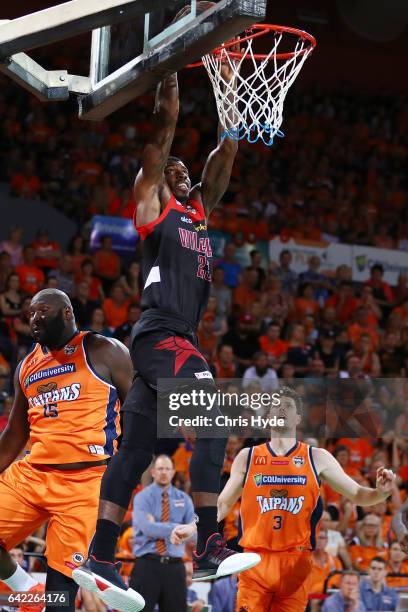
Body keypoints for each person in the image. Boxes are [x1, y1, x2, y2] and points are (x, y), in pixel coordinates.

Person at [72, 22, 259, 611]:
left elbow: (224, 157)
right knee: (214, 414)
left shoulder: (200, 212)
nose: (182, 173)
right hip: (161, 335)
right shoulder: (155, 206)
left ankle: (101, 553)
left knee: (135, 451)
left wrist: (231, 94)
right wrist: (172, 68)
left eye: (186, 171)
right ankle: (209, 543)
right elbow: (162, 133)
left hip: (173, 338)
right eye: (175, 170)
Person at [0, 288, 133, 612]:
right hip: (34, 474)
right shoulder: (27, 366)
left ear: (67, 313)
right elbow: (16, 433)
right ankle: (27, 590)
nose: (34, 317)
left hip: (85, 481)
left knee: (62, 589)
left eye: (42, 310)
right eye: (30, 312)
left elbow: (142, 409)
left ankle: (50, 600)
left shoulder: (104, 350)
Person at [218, 386, 395, 611]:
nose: (281, 409)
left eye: (288, 406)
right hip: (255, 560)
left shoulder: (317, 457)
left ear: (298, 418)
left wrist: (381, 492)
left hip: (296, 562)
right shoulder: (248, 457)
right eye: (276, 406)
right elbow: (223, 504)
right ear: (268, 416)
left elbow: (359, 494)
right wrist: (194, 525)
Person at [130, 455, 195, 611]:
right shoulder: (141, 498)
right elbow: (147, 528)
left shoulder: (185, 500)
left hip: (175, 567)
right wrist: (178, 528)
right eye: (160, 469)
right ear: (153, 472)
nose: (164, 472)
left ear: (173, 472)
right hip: (147, 564)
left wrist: (159, 525)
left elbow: (194, 533)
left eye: (167, 469)